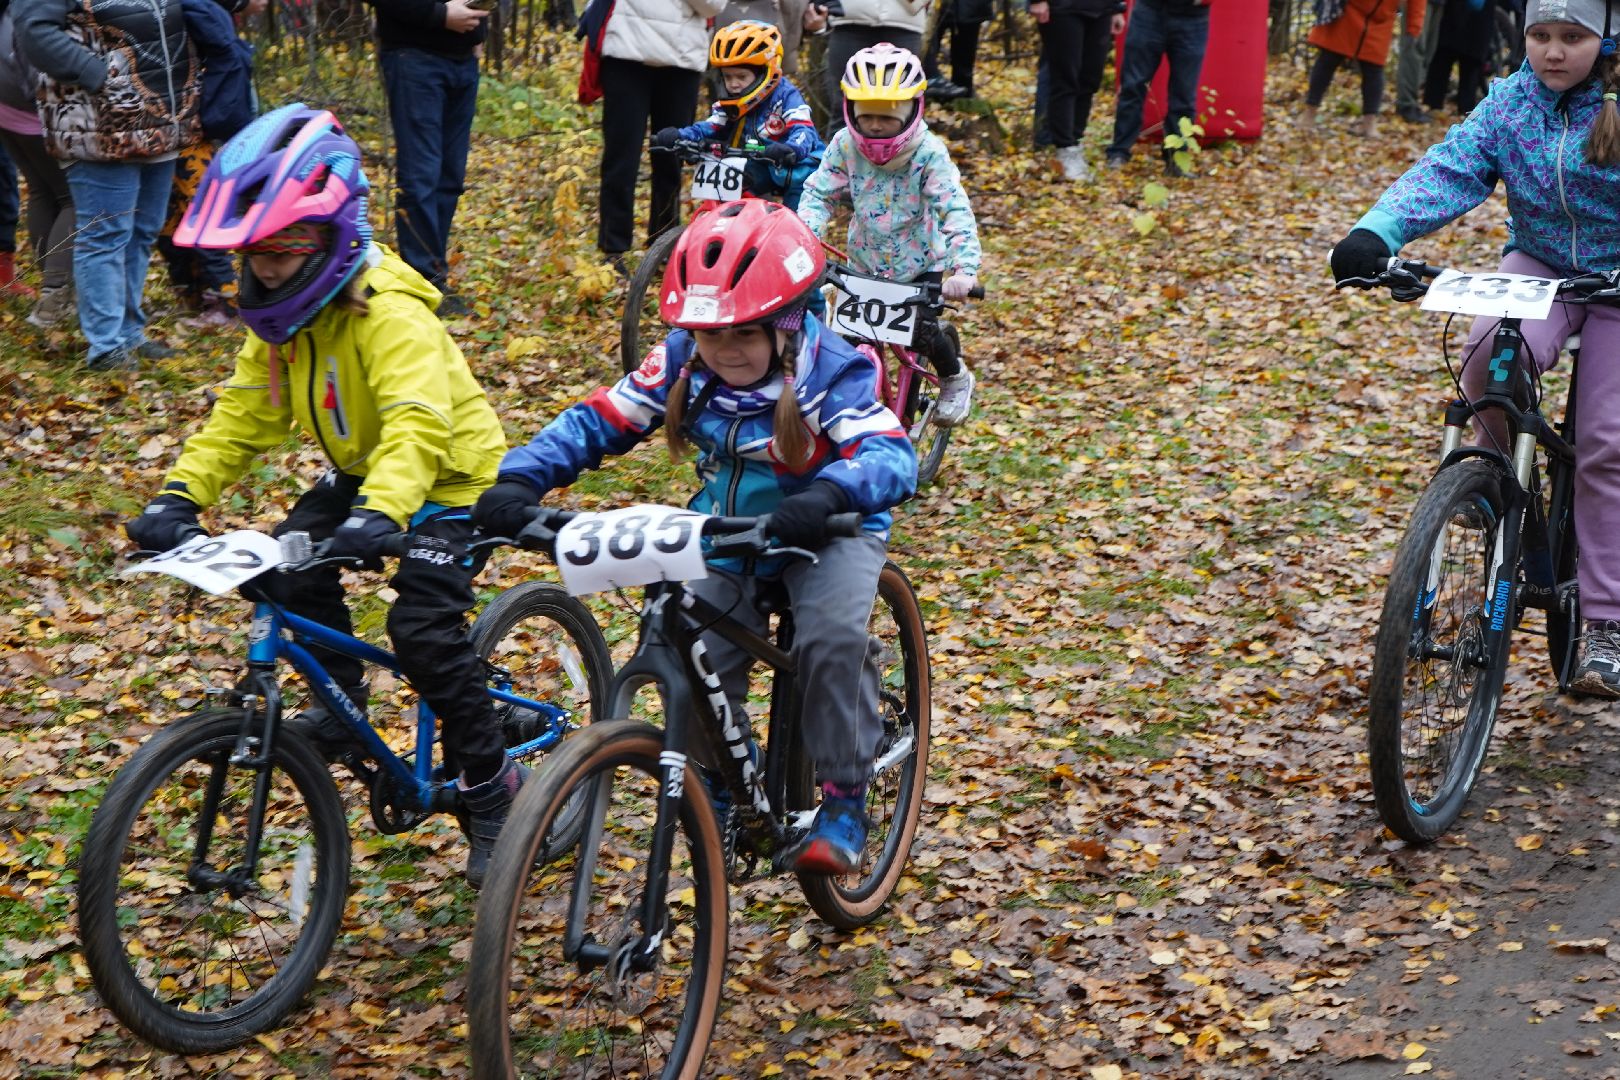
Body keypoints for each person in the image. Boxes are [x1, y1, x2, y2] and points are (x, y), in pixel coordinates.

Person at [124, 105, 516, 885]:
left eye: (280, 251)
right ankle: (343, 708)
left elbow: (417, 422)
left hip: (449, 479)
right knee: (289, 569)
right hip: (366, 472)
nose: (263, 270)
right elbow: (243, 414)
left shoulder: (392, 315)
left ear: (330, 236)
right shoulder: (284, 323)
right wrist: (178, 496)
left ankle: (493, 782)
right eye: (252, 255)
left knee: (424, 631)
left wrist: (384, 513)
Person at [476, 200, 917, 875]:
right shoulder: (686, 359)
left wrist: (831, 492)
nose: (725, 349)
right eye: (711, 335)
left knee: (829, 637)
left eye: (744, 333)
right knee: (689, 647)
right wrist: (520, 479)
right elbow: (605, 417)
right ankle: (722, 784)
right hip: (728, 528)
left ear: (789, 325)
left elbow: (892, 456)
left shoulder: (834, 369)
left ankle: (844, 798)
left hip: (829, 528)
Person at [1329, 0, 1620, 697]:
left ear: (1605, 39)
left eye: (1572, 38)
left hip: (1617, 282)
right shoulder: (1509, 105)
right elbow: (1450, 168)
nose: (1553, 52)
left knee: (1608, 440)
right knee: (1490, 354)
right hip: (1541, 267)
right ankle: (1486, 492)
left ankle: (1607, 624)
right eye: (1540, 36)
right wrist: (1378, 232)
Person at [799, 43, 983, 425]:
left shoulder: (929, 153)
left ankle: (954, 377)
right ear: (851, 109)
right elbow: (818, 193)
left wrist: (963, 270)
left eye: (889, 115)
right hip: (864, 261)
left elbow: (954, 208)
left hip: (920, 265)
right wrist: (803, 241)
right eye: (867, 115)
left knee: (925, 333)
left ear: (913, 108)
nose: (877, 125)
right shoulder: (845, 145)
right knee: (846, 348)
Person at [15, 0, 200, 371]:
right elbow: (33, 29)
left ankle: (130, 334)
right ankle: (105, 346)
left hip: (161, 115)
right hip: (96, 124)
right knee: (105, 234)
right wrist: (99, 74)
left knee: (143, 230)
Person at [373, 0, 491, 315]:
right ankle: (424, 282)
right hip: (414, 57)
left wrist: (478, 34)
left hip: (463, 60)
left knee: (449, 177)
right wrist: (440, 15)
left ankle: (434, 277)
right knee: (420, 175)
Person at [594, 0, 725, 267]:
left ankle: (663, 247)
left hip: (682, 59)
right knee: (621, 158)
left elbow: (714, 6)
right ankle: (613, 251)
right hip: (625, 52)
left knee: (671, 159)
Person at [155, 0, 260, 329]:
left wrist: (209, 112)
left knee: (201, 209)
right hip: (161, 125)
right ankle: (192, 293)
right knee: (169, 214)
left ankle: (228, 301)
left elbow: (225, 54)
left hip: (190, 126)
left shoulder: (194, 10)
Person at [652, 20, 825, 210]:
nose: (733, 84)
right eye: (728, 77)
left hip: (799, 168)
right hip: (758, 163)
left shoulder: (786, 96)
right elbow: (710, 126)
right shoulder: (730, 102)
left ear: (764, 73)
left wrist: (791, 148)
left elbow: (803, 130)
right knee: (731, 206)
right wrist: (680, 135)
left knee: (796, 221)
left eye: (741, 77)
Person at [0, 0, 72, 323]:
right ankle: (55, 296)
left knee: (44, 191)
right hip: (28, 107)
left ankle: (53, 284)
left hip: (6, 104)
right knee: (74, 199)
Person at [1104, 0, 1211, 175]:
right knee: (1133, 86)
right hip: (1150, 10)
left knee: (1184, 95)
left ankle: (1176, 158)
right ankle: (1118, 152)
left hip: (1193, 17)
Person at [1299, 0, 1426, 138]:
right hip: (1348, 12)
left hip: (1381, 21)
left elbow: (1417, 2)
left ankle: (1369, 123)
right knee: (1327, 61)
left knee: (1374, 71)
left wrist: (1414, 27)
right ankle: (1309, 113)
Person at [1030, 0, 1126, 181]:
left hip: (1101, 10)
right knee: (1065, 79)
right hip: (1062, 9)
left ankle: (1075, 141)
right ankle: (1064, 148)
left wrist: (1116, 8)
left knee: (1090, 80)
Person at [823, 0, 931, 132]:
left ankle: (917, 152)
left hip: (905, 19)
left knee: (907, 105)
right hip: (847, 18)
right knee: (843, 108)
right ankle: (837, 151)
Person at [1423, 0, 1493, 115]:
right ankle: (1465, 110)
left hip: (1455, 17)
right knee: (1469, 69)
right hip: (1478, 23)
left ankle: (1434, 105)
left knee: (1442, 62)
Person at [1396, 0, 1446, 122]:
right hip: (1419, 4)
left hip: (1439, 3)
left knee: (1428, 52)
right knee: (1414, 47)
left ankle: (1412, 102)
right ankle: (1406, 104)